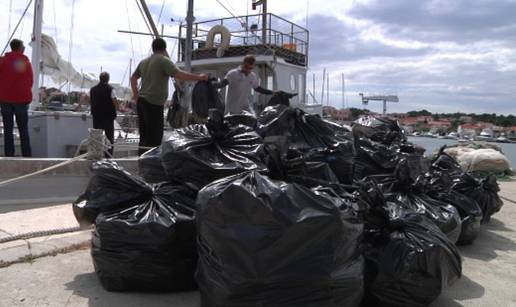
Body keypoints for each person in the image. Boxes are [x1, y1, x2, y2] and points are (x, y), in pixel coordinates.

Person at [130, 38, 208, 155]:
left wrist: (136, 95)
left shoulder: (144, 62)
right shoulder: (164, 61)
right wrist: (200, 77)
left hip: (142, 102)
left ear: (153, 48)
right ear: (164, 48)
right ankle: (151, 166)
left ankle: (141, 161)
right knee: (154, 138)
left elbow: (133, 79)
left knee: (144, 135)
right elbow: (180, 75)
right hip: (153, 103)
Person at [0, 39, 33, 157]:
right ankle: (27, 155)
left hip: (5, 100)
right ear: (19, 47)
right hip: (21, 100)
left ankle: (9, 155)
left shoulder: (3, 61)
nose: (24, 47)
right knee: (23, 129)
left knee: (8, 130)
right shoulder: (25, 63)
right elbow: (30, 81)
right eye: (23, 45)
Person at [90, 72, 118, 156]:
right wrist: (119, 108)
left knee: (97, 138)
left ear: (99, 78)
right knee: (109, 138)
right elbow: (115, 102)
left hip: (97, 117)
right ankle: (108, 157)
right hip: (108, 118)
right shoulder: (111, 89)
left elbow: (90, 101)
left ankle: (96, 155)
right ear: (108, 79)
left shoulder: (93, 89)